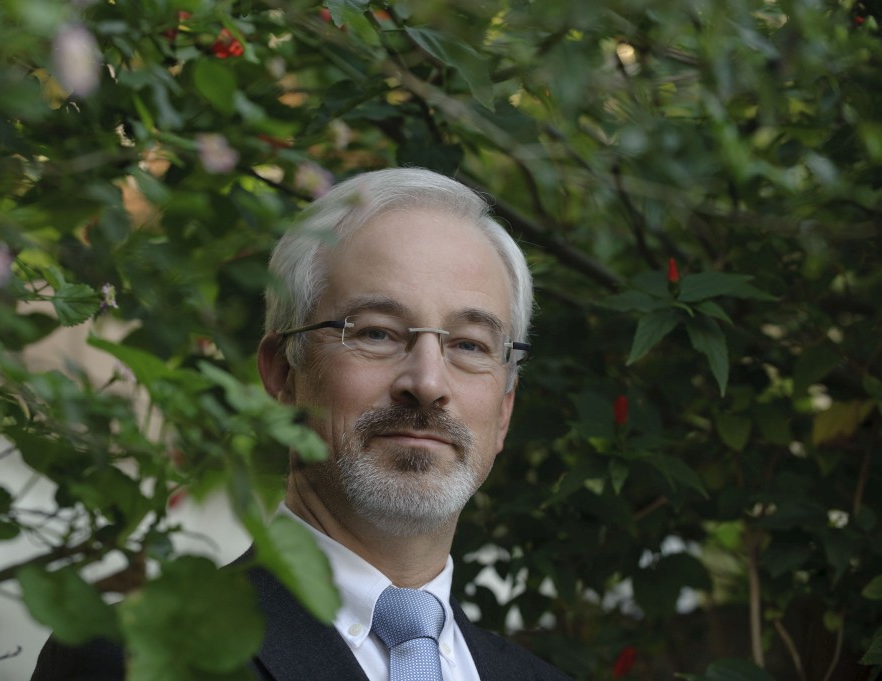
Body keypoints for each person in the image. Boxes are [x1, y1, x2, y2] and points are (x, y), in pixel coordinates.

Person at [31, 168, 571, 680]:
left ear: (505, 408)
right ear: (281, 373)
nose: (428, 382)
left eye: (470, 345)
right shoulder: (138, 655)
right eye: (376, 333)